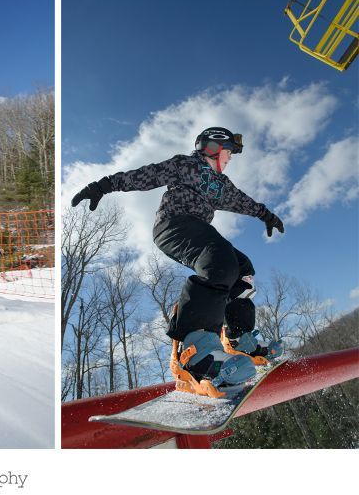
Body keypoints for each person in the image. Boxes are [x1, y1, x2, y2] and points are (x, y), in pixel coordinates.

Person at [71, 127, 284, 397]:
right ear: (212, 148)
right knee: (219, 261)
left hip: (200, 231)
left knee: (242, 270)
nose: (230, 159)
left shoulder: (222, 185)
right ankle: (196, 355)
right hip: (173, 226)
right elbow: (144, 176)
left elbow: (243, 202)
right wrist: (103, 185)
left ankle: (239, 342)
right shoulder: (185, 165)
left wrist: (267, 215)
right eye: (228, 152)